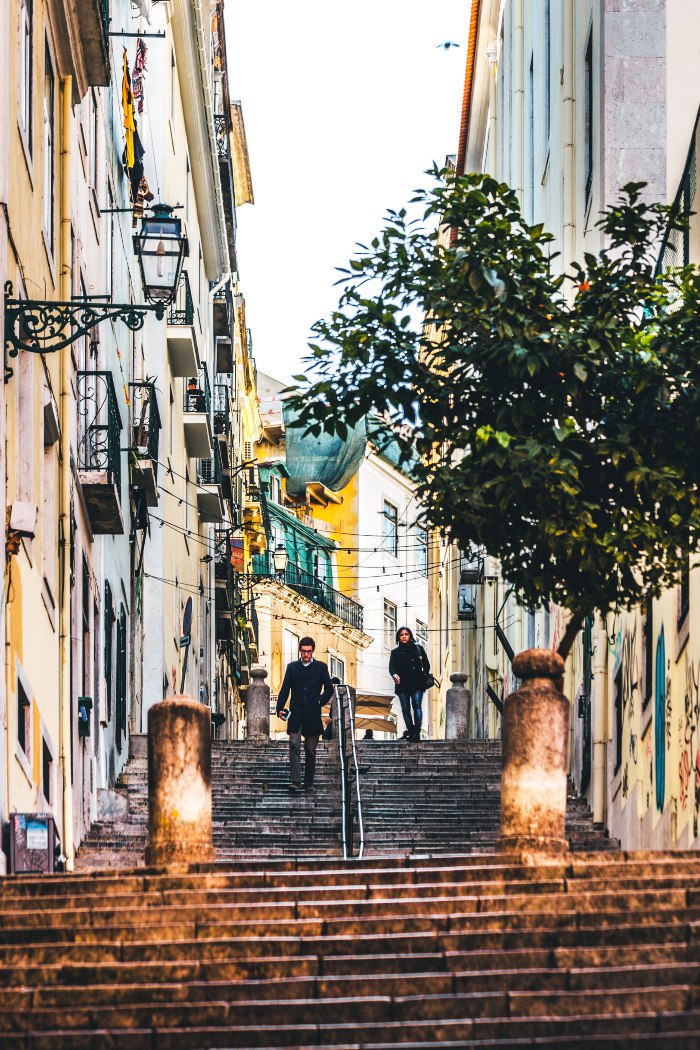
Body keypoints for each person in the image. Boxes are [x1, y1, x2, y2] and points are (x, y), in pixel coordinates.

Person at [276, 636, 334, 794]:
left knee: (310, 750)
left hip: (313, 715)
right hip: (295, 714)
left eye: (308, 651)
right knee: (294, 744)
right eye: (303, 651)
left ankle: (309, 783)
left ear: (313, 651)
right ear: (300, 651)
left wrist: (319, 702)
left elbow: (329, 688)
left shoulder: (321, 667)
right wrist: (279, 708)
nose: (306, 654)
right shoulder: (292, 667)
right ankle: (295, 781)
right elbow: (285, 689)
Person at [389, 626, 430, 742]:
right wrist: (394, 675)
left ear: (410, 636)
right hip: (402, 684)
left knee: (417, 706)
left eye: (406, 634)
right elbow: (392, 667)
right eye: (401, 635)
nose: (404, 636)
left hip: (417, 682)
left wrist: (424, 677)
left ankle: (417, 732)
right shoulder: (395, 653)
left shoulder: (418, 649)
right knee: (405, 709)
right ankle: (410, 731)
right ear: (398, 637)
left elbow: (426, 665)